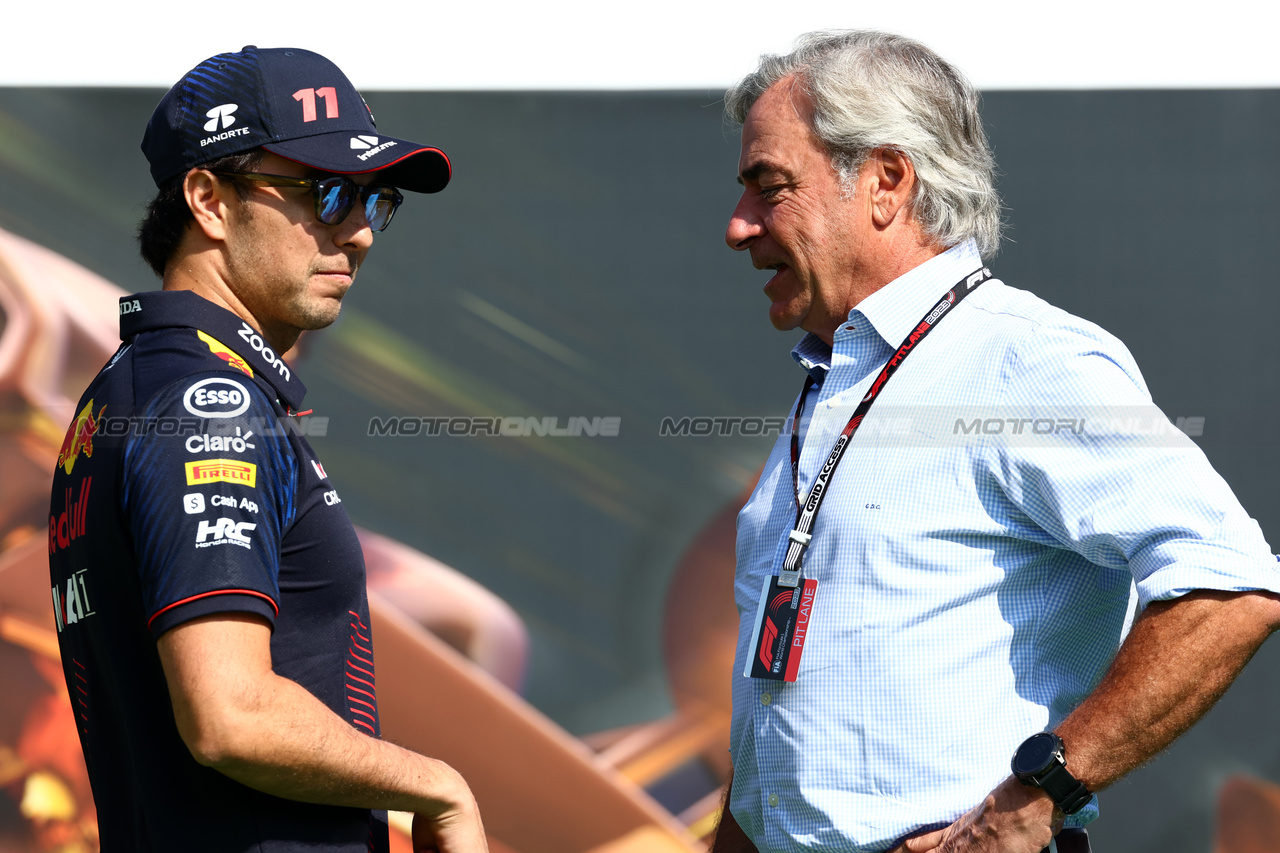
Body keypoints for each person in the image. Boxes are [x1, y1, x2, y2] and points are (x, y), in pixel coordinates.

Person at [711, 30, 1280, 853]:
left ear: (885, 181)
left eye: (770, 187)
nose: (739, 226)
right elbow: (778, 729)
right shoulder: (836, 379)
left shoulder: (1022, 358)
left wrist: (1029, 800)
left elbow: (1229, 586)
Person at [47, 46, 487, 852]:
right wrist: (436, 786)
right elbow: (231, 713)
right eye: (325, 193)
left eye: (374, 201)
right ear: (209, 200)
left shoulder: (136, 389)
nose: (357, 233)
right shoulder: (205, 403)